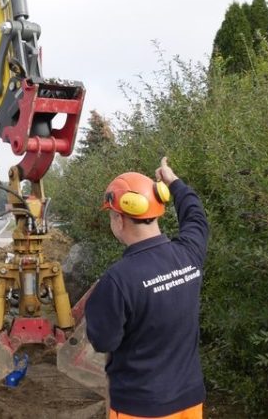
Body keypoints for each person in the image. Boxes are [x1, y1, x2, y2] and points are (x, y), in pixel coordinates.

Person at [85, 157, 209, 419]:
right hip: (190, 401)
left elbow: (104, 341)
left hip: (141, 408)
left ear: (119, 219)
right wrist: (173, 181)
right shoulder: (188, 253)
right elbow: (196, 216)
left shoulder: (117, 281)